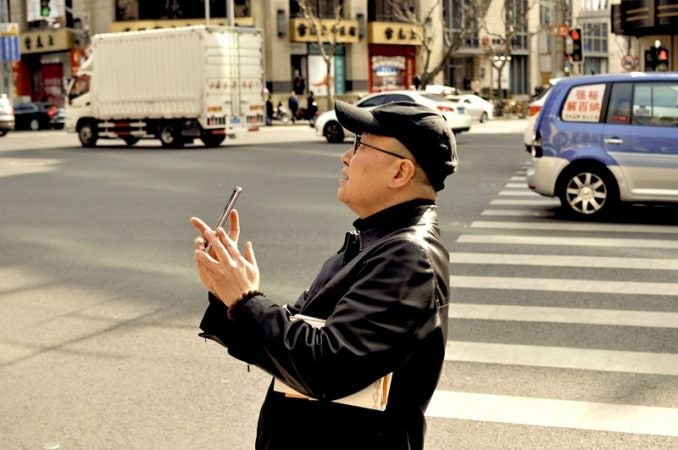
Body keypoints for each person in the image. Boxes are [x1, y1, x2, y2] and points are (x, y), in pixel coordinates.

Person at [191, 101, 458, 449]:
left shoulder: (408, 256)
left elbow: (327, 367)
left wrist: (245, 300)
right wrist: (230, 295)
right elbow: (298, 339)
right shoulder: (375, 242)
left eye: (361, 144)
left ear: (400, 173)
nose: (346, 156)